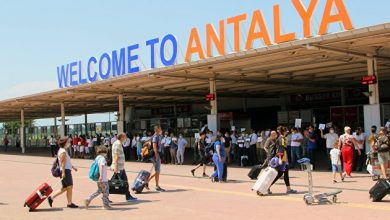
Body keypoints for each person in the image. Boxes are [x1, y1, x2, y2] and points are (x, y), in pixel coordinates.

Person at [48, 138, 79, 208]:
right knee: (70, 186)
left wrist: (73, 167)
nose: (69, 143)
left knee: (65, 188)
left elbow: (66, 162)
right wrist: (64, 172)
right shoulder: (62, 152)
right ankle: (69, 203)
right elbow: (62, 163)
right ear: (65, 143)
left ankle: (51, 198)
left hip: (65, 170)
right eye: (68, 142)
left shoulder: (63, 151)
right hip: (66, 171)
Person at [268, 126, 297, 195]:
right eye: (286, 130)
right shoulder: (282, 139)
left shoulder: (282, 138)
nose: (287, 132)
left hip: (283, 157)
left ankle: (288, 189)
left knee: (283, 173)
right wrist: (281, 159)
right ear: (284, 132)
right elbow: (281, 149)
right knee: (280, 174)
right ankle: (268, 186)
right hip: (282, 157)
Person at [111, 133, 137, 201]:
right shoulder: (117, 144)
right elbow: (116, 156)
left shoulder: (119, 143)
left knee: (124, 182)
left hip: (120, 167)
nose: (126, 138)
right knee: (113, 183)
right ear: (122, 137)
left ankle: (128, 196)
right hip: (118, 167)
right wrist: (116, 168)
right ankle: (105, 197)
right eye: (125, 136)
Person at [85, 146, 111, 210]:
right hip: (102, 178)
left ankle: (89, 199)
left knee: (99, 190)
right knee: (106, 192)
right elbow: (101, 166)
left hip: (98, 178)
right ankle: (106, 205)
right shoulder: (102, 159)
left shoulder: (97, 158)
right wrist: (101, 176)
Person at [148, 125, 166, 192]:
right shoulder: (155, 136)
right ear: (157, 130)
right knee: (157, 171)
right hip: (156, 155)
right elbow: (154, 146)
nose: (161, 129)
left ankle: (154, 184)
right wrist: (156, 155)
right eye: (160, 128)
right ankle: (148, 182)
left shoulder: (158, 136)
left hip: (158, 154)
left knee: (157, 171)